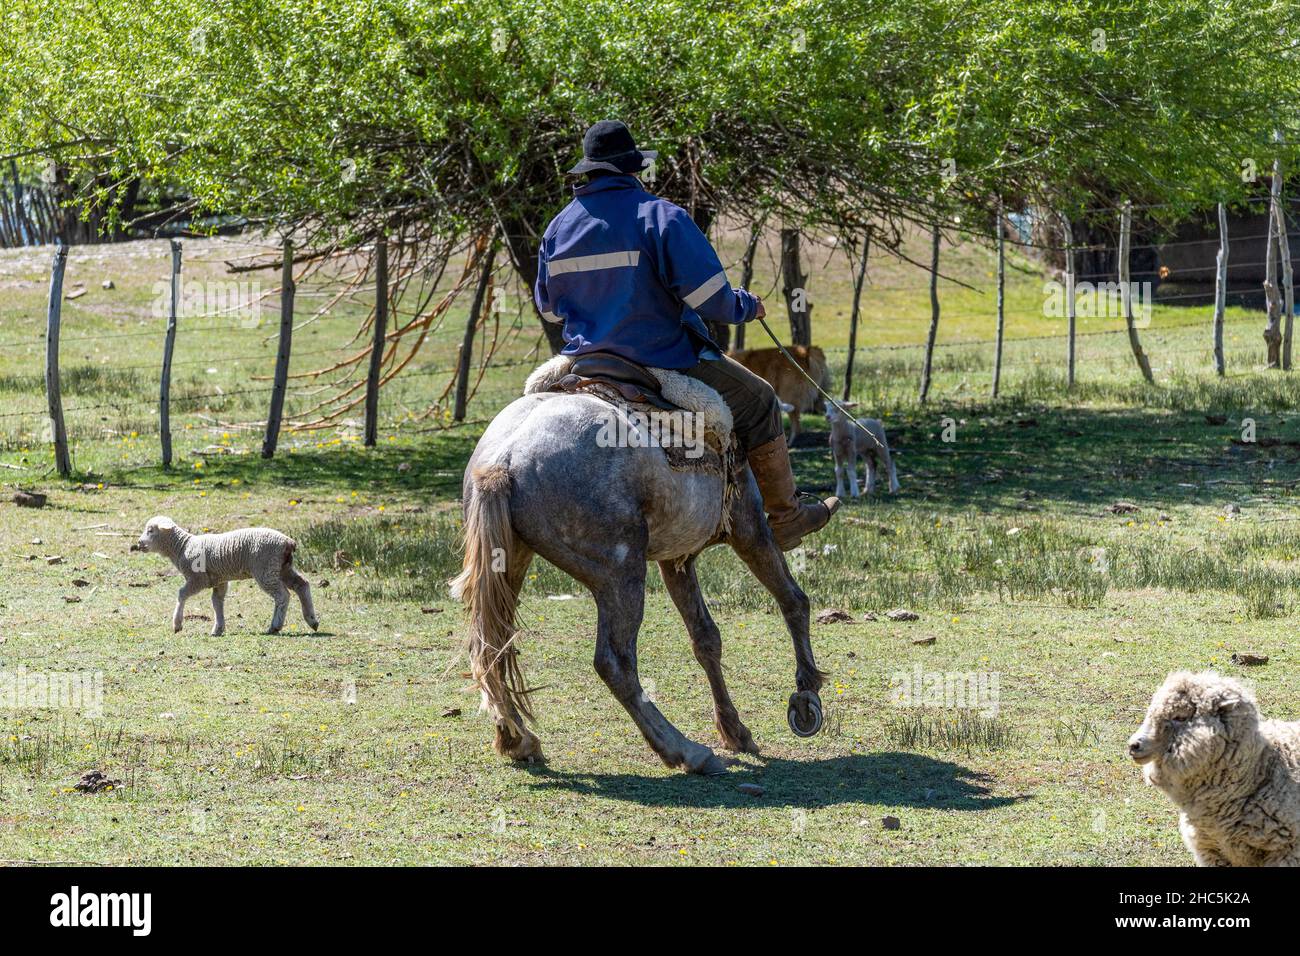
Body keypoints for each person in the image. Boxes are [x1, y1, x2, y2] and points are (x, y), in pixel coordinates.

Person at [534, 119, 839, 550]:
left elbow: (547, 308)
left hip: (585, 359)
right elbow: (711, 299)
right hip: (659, 357)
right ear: (633, 168)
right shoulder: (661, 217)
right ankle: (786, 516)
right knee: (761, 400)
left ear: (588, 171)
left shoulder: (557, 228)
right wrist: (747, 305)